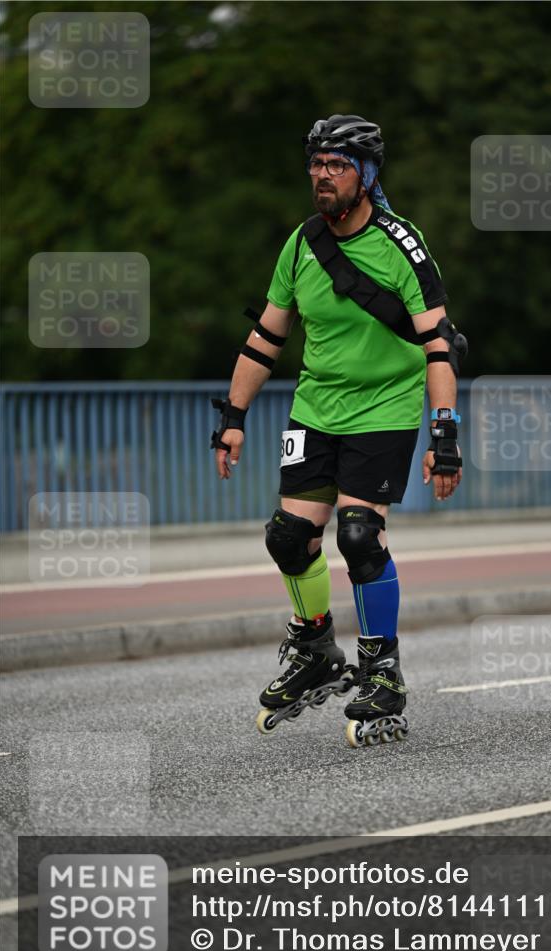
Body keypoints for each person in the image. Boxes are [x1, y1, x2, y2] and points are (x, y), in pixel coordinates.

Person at [213, 114, 465, 747]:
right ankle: (317, 647)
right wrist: (233, 419)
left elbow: (437, 343)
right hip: (316, 407)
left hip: (384, 405)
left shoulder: (401, 243)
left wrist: (443, 433)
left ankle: (382, 670)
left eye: (337, 166)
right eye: (316, 166)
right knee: (288, 537)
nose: (322, 177)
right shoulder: (300, 244)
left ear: (368, 175)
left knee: (358, 535)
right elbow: (267, 337)